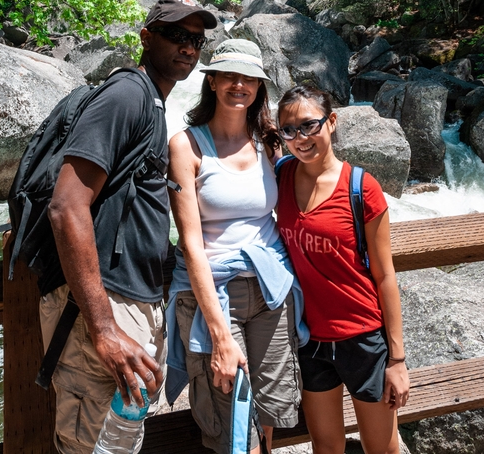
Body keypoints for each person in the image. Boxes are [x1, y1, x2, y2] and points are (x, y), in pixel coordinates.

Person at [39, 0, 217, 454]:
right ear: (146, 37)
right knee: (90, 444)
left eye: (196, 41)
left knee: (117, 441)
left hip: (129, 302)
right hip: (99, 311)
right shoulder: (126, 96)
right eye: (177, 36)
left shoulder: (152, 103)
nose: (188, 49)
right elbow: (67, 207)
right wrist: (103, 329)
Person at [166, 39, 308, 454]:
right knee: (228, 414)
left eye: (249, 78)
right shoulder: (186, 145)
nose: (239, 85)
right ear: (212, 82)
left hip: (270, 289)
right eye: (229, 75)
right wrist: (220, 335)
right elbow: (191, 244)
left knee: (269, 410)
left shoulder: (268, 140)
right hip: (213, 292)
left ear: (260, 87)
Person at [275, 84, 410, 454]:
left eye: (308, 125)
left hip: (363, 339)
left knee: (381, 447)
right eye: (288, 130)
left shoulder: (361, 188)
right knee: (326, 446)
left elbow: (385, 275)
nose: (300, 138)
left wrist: (396, 360)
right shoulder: (281, 176)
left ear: (331, 122)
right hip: (311, 339)